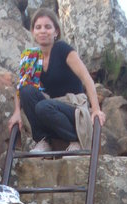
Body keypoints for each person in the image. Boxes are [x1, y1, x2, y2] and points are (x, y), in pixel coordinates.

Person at [8, 7, 106, 152]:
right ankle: (43, 141)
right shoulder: (32, 57)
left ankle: (75, 140)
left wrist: (96, 110)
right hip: (52, 109)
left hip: (74, 107)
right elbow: (21, 86)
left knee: (43, 107)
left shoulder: (62, 49)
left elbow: (87, 78)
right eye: (38, 27)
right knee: (27, 91)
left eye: (48, 27)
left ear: (56, 32)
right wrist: (17, 112)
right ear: (33, 32)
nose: (43, 31)